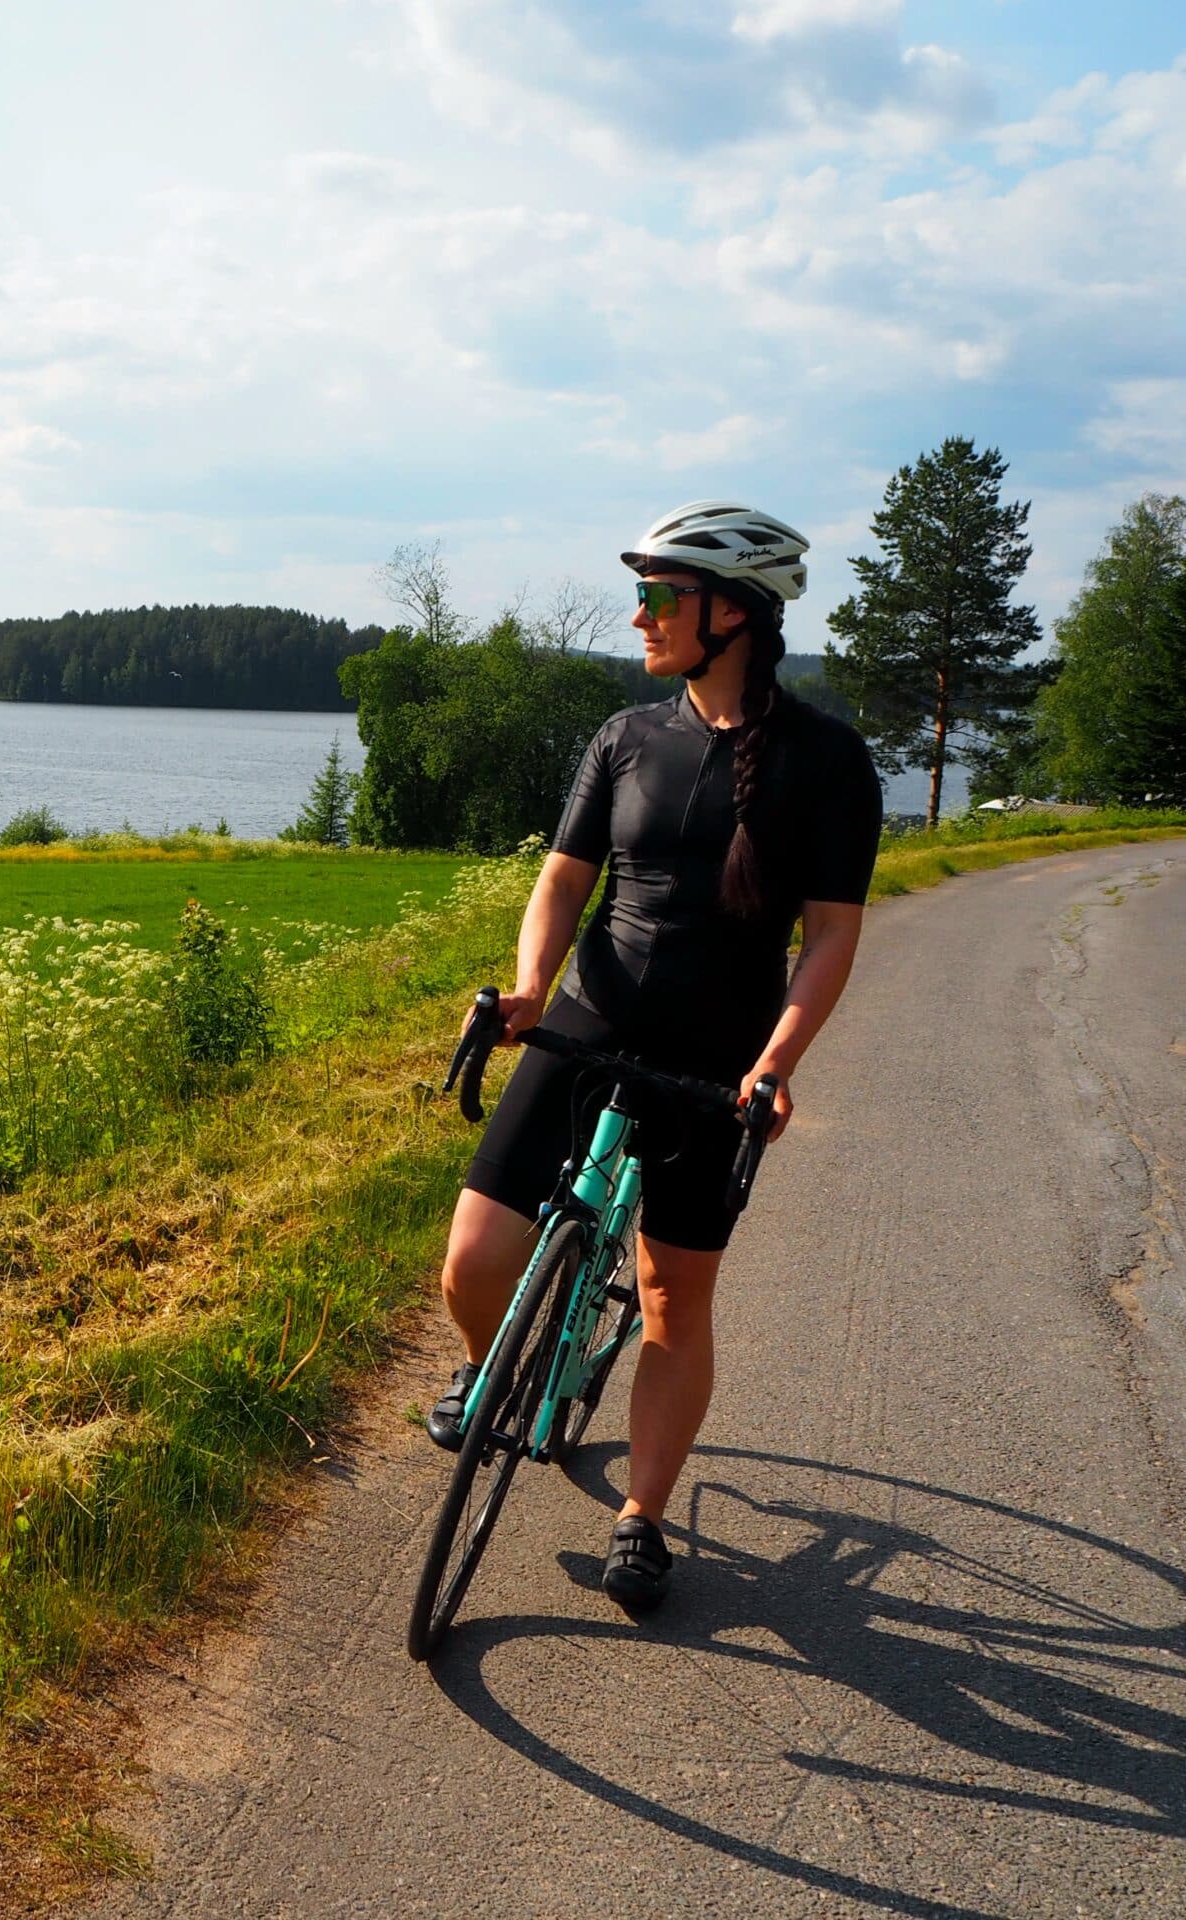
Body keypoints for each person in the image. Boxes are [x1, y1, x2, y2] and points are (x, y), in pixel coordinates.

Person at [423, 500, 883, 1612]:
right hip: (591, 1017)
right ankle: (509, 1373)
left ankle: (643, 1516)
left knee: (675, 1297)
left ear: (733, 613)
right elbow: (564, 879)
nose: (640, 614)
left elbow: (828, 934)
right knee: (474, 1262)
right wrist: (532, 986)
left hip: (717, 1054)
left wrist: (775, 1060)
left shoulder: (827, 763)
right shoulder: (625, 737)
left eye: (659, 595)